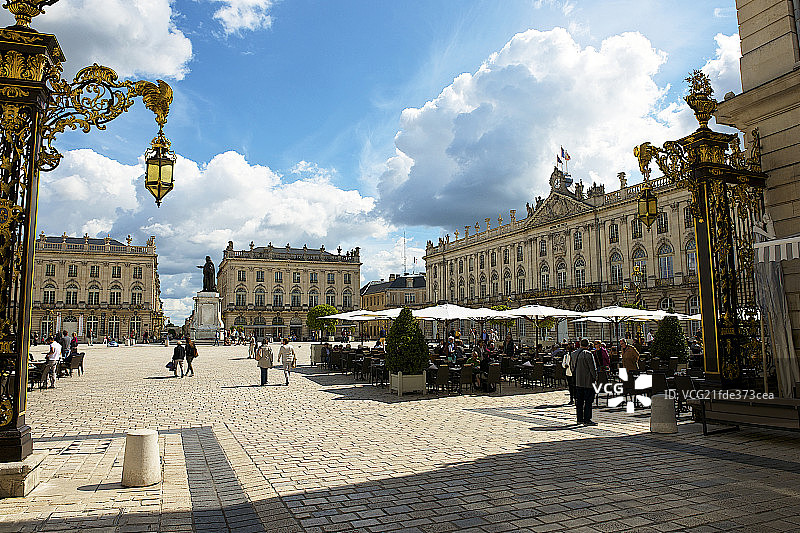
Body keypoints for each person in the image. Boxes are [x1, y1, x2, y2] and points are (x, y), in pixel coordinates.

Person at [570, 339, 598, 426]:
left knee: (579, 401)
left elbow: (571, 367)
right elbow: (592, 368)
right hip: (588, 381)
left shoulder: (574, 354)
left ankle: (579, 419)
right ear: (588, 345)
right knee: (588, 401)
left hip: (578, 381)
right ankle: (587, 419)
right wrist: (595, 377)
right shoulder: (588, 354)